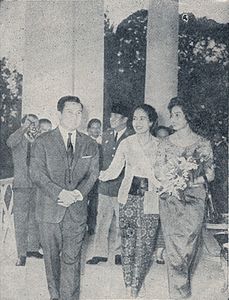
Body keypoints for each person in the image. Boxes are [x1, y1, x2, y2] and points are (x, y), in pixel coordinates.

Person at [30, 96, 99, 300]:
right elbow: (37, 173)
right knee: (51, 261)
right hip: (49, 210)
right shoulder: (42, 141)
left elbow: (93, 174)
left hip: (76, 211)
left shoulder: (90, 144)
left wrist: (77, 194)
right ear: (59, 114)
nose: (75, 117)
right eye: (70, 112)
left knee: (72, 260)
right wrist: (60, 193)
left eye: (79, 113)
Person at [155, 97, 215, 299]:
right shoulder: (164, 144)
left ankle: (182, 289)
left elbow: (211, 174)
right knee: (174, 250)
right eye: (171, 115)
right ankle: (179, 295)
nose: (173, 119)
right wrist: (171, 179)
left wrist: (189, 180)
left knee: (188, 246)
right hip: (170, 199)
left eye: (177, 114)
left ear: (188, 116)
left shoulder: (202, 144)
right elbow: (158, 171)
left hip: (194, 200)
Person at [99, 104, 161, 298]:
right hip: (128, 199)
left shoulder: (160, 145)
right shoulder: (127, 143)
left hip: (151, 198)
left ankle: (136, 283)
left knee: (145, 244)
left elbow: (163, 174)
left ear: (151, 122)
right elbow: (115, 170)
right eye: (135, 118)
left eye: (143, 118)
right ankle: (129, 286)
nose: (138, 122)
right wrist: (97, 174)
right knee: (127, 243)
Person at [86, 103, 133, 265]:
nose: (111, 119)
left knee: (122, 221)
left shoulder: (131, 136)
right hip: (105, 186)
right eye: (111, 116)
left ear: (125, 119)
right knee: (102, 220)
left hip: (122, 186)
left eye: (115, 116)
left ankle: (121, 253)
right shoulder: (105, 135)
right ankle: (99, 253)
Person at [6, 114, 43, 266]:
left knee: (35, 218)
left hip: (36, 185)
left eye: (35, 123)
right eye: (30, 122)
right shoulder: (18, 138)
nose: (32, 125)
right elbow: (9, 142)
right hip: (21, 185)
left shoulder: (37, 140)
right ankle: (21, 254)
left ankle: (33, 248)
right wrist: (24, 128)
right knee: (21, 220)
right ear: (22, 123)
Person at [86, 118, 102, 235]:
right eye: (93, 127)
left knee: (94, 204)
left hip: (98, 179)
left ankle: (92, 227)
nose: (96, 130)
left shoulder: (102, 145)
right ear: (88, 130)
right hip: (85, 179)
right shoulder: (85, 144)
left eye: (98, 127)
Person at [210, 131, 228, 214]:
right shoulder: (215, 146)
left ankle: (222, 211)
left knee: (220, 192)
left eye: (216, 135)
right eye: (213, 135)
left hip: (220, 174)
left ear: (220, 136)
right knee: (216, 192)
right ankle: (217, 210)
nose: (214, 136)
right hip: (216, 174)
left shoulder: (223, 147)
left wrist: (215, 164)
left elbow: (224, 162)